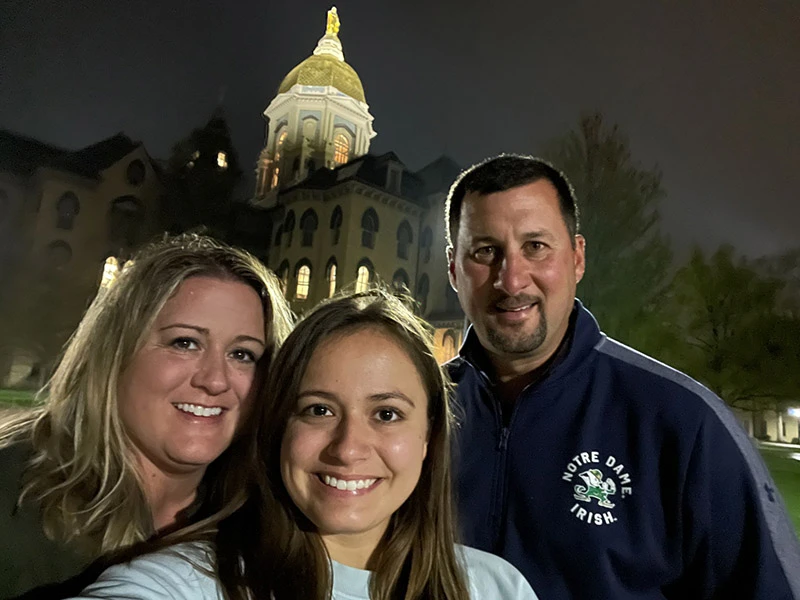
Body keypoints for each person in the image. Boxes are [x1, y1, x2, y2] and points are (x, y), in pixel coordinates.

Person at [444, 154, 800, 599]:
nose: (512, 279)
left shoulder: (683, 422)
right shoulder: (413, 415)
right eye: (484, 251)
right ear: (454, 269)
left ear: (577, 259)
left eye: (536, 246)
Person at [68, 289, 538, 599]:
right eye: (318, 410)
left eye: (386, 414)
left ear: (429, 440)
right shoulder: (195, 582)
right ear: (278, 429)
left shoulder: (496, 587)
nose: (348, 448)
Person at [0, 233, 294, 599]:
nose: (215, 380)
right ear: (116, 353)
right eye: (185, 343)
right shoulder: (13, 491)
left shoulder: (262, 522)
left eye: (243, 355)